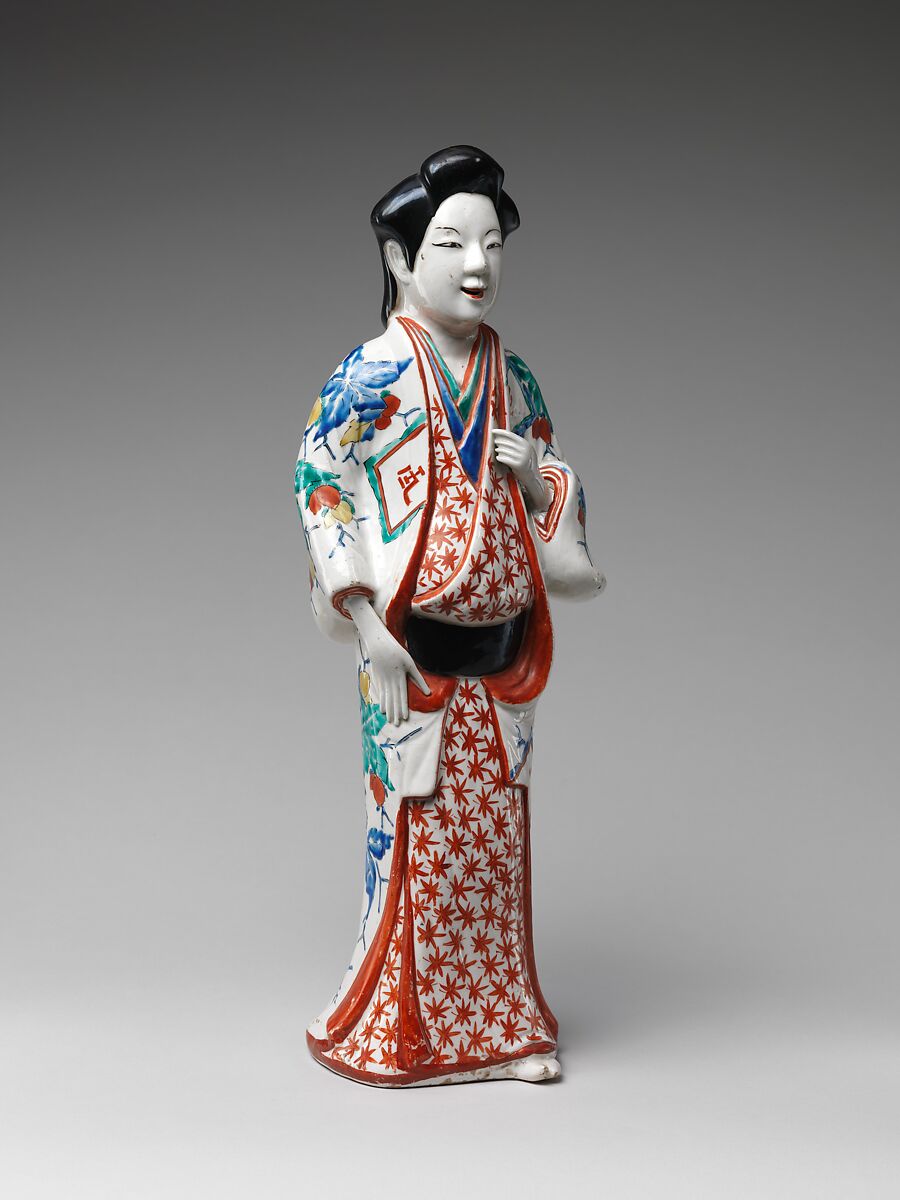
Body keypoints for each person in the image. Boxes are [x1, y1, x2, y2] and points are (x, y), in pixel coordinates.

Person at [295, 146, 605, 1087]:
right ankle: (402, 1029)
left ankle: (503, 1027)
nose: (477, 264)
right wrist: (363, 620)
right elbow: (320, 475)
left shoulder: (517, 380)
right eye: (449, 243)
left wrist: (529, 475)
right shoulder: (373, 373)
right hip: (407, 653)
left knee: (493, 843)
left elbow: (558, 480)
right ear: (399, 259)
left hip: (502, 656)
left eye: (490, 244)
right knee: (414, 836)